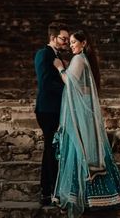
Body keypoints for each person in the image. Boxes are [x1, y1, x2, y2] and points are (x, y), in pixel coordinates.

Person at [53, 31, 120, 217]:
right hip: (85, 114)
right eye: (70, 42)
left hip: (81, 116)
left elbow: (70, 82)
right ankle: (108, 194)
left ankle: (85, 196)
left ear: (83, 43)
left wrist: (59, 68)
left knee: (80, 150)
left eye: (74, 42)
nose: (71, 45)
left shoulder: (79, 59)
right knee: (89, 149)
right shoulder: (84, 60)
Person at [34, 22, 70, 206]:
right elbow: (45, 83)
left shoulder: (59, 56)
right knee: (50, 149)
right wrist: (68, 89)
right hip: (47, 109)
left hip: (56, 109)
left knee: (53, 149)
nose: (66, 42)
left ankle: (52, 189)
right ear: (52, 38)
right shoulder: (43, 54)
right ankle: (46, 191)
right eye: (63, 39)